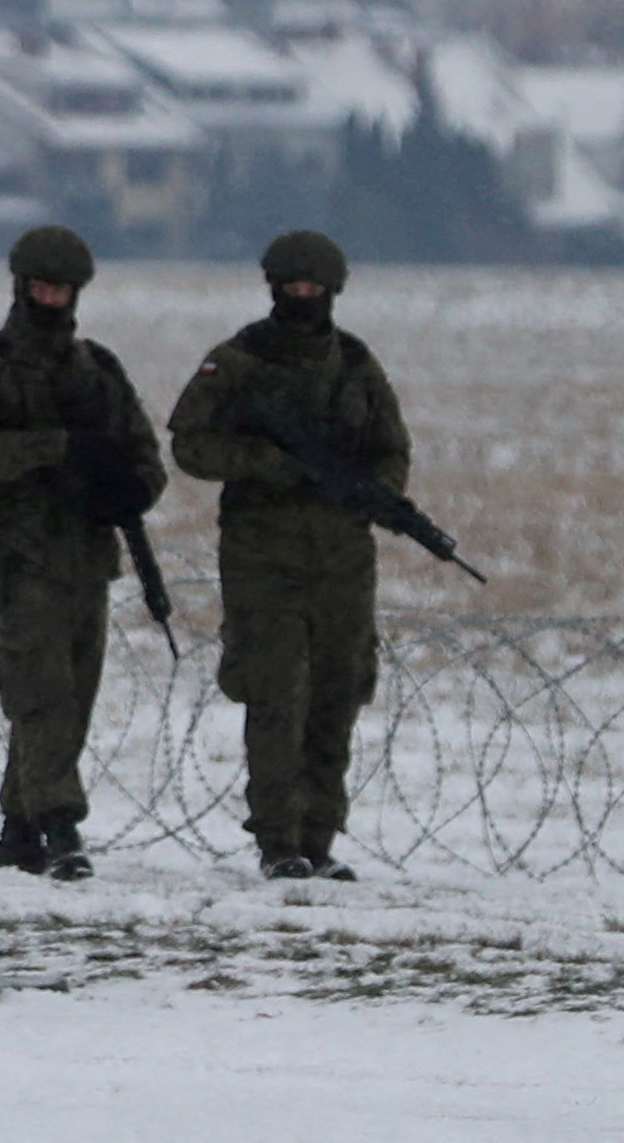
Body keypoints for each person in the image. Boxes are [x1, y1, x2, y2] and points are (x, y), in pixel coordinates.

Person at [168, 228, 410, 880]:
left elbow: (391, 448)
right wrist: (269, 464)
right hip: (262, 557)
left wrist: (375, 493)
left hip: (341, 558)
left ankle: (319, 835)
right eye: (292, 286)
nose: (303, 296)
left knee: (336, 695)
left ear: (331, 290)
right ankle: (278, 840)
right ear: (274, 286)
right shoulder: (238, 358)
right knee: (275, 695)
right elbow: (189, 441)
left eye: (314, 287)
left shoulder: (356, 363)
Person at [0, 222, 163, 876]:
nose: (50, 298)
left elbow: (143, 454)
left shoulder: (99, 369)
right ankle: (59, 824)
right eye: (40, 286)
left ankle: (17, 827)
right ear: (20, 285)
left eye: (61, 289)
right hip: (17, 547)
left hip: (85, 551)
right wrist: (52, 449)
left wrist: (126, 487)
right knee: (41, 691)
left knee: (73, 691)